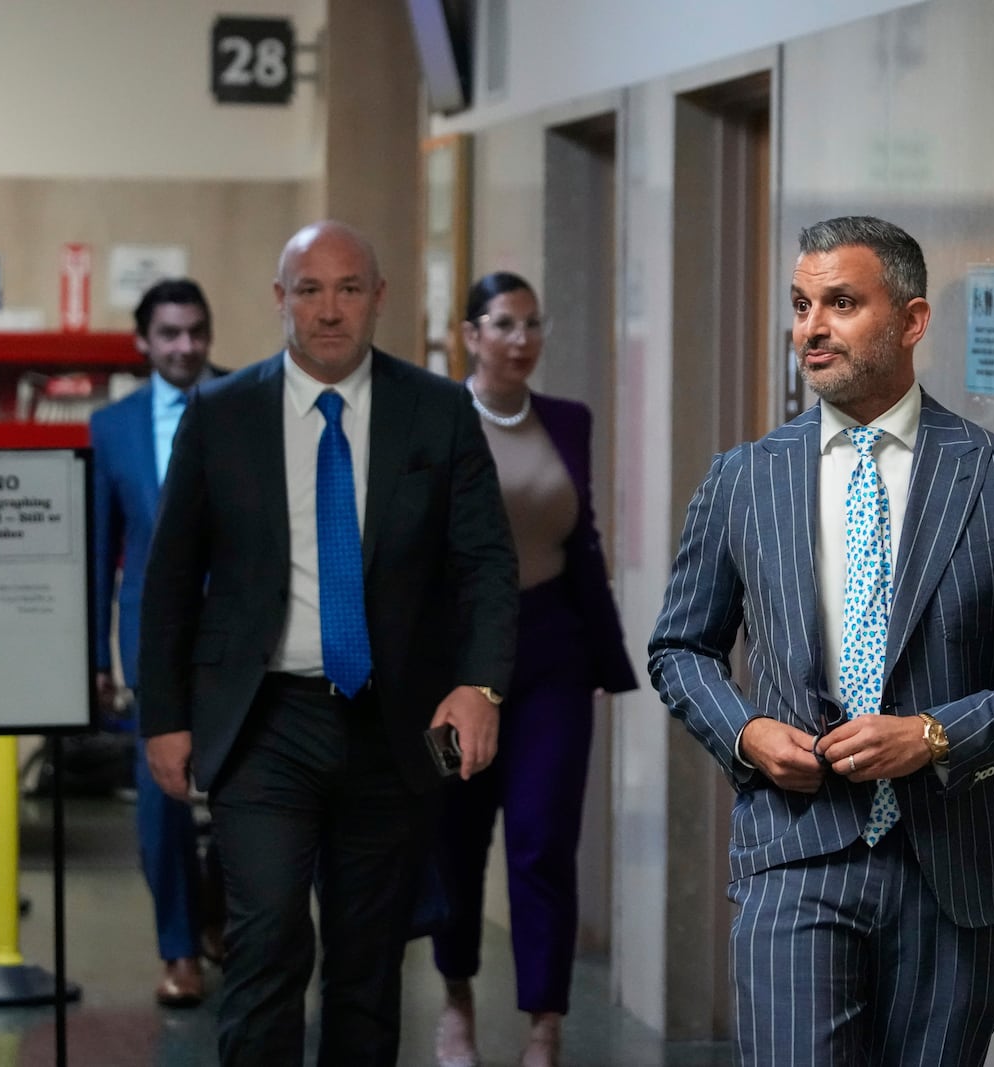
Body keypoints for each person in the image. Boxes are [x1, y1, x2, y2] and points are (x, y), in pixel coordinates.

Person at [649, 216, 994, 1065]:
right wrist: (744, 732)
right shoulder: (744, 478)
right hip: (794, 854)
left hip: (957, 870)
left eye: (842, 303)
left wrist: (934, 736)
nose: (811, 328)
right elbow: (680, 649)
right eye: (800, 305)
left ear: (912, 320)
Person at [137, 220, 519, 1067]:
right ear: (280, 301)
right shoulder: (222, 413)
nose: (330, 310)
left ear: (380, 298)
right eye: (308, 290)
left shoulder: (436, 410)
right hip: (264, 718)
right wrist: (162, 716)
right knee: (266, 938)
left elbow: (486, 561)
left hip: (392, 724)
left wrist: (482, 684)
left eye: (349, 288)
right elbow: (169, 580)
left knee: (367, 958)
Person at [430, 272, 638, 1067]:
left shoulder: (568, 421)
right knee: (454, 835)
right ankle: (454, 995)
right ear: (471, 335)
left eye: (531, 324)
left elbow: (578, 533)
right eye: (503, 324)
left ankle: (544, 1023)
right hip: (453, 662)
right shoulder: (438, 416)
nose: (521, 339)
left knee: (543, 839)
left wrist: (605, 644)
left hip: (552, 649)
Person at [89, 278, 225, 1007]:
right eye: (170, 333)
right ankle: (179, 947)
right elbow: (100, 548)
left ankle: (220, 911)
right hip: (152, 642)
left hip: (242, 637)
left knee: (246, 793)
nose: (185, 346)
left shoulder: (248, 400)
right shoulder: (112, 427)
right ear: (144, 341)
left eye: (197, 331)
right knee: (159, 800)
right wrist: (92, 660)